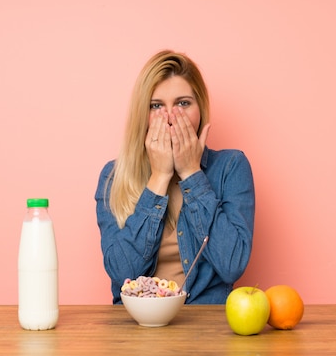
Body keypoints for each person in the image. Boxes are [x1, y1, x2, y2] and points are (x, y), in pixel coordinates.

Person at [95, 50, 255, 304]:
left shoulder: (231, 167)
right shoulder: (114, 177)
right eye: (156, 106)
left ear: (200, 108)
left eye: (183, 103)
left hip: (206, 326)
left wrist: (191, 174)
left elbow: (232, 264)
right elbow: (121, 272)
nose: (170, 117)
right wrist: (159, 176)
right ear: (143, 115)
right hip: (138, 330)